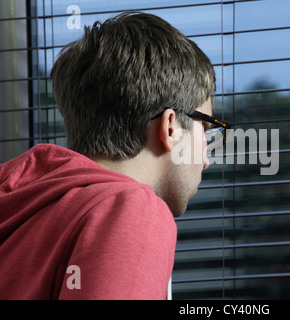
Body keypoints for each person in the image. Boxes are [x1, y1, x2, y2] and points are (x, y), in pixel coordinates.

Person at [0, 12, 230, 300]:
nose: (207, 159)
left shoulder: (23, 205)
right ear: (171, 128)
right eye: (205, 128)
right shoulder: (131, 211)